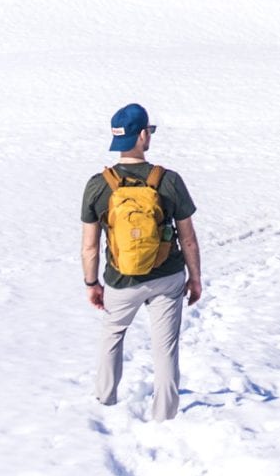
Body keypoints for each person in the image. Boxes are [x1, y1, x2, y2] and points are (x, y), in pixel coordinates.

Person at [82, 103, 202, 420]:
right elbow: (188, 238)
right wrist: (195, 278)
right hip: (167, 277)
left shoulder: (98, 185)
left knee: (112, 336)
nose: (149, 136)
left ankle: (104, 404)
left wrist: (92, 283)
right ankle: (165, 415)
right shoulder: (169, 181)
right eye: (148, 130)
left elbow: (90, 246)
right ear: (141, 136)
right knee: (165, 348)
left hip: (121, 280)